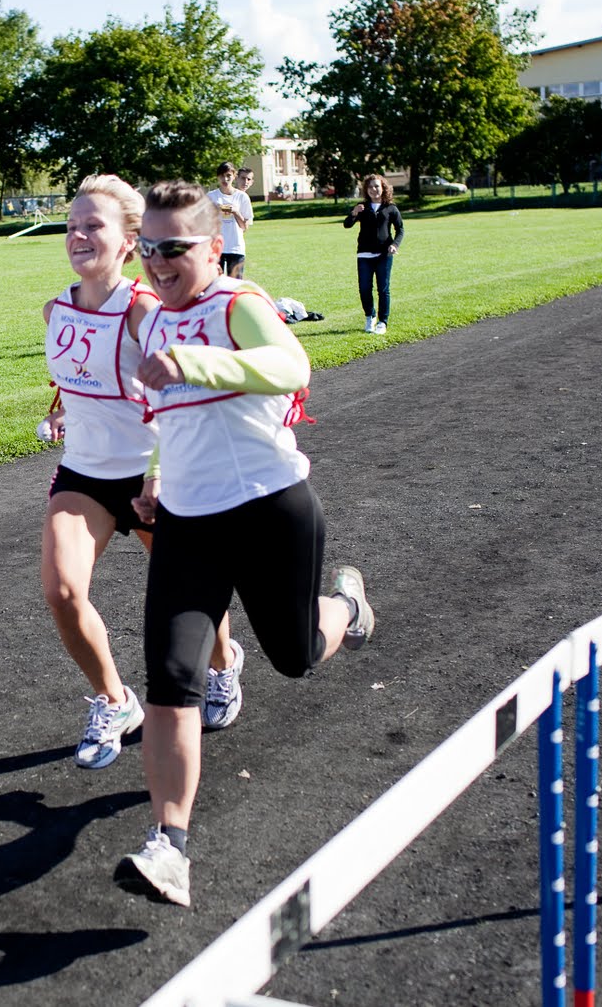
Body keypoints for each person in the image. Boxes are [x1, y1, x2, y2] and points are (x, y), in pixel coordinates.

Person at [114, 179, 376, 907]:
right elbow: (171, 419)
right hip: (188, 523)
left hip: (269, 510)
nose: (157, 261)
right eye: (148, 247)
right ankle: (170, 845)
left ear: (211, 247)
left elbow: (293, 367)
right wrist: (155, 478)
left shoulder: (237, 303)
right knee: (171, 676)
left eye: (173, 247)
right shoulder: (154, 322)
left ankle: (347, 607)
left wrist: (196, 360)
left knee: (295, 655)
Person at [40, 175, 245, 773]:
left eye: (93, 226)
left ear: (130, 241)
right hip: (84, 474)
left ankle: (223, 665)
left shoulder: (142, 311)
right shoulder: (55, 309)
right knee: (61, 591)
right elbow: (78, 378)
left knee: (194, 595)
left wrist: (161, 471)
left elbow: (183, 393)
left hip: (155, 477)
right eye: (71, 226)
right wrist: (59, 411)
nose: (78, 235)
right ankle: (115, 700)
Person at [342, 174, 405, 335]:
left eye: (377, 186)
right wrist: (354, 213)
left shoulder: (390, 208)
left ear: (383, 188)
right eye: (370, 187)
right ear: (366, 190)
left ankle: (382, 322)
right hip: (364, 255)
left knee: (383, 289)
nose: (373, 189)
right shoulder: (362, 207)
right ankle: (370, 316)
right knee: (364, 288)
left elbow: (400, 229)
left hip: (384, 254)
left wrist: (394, 245)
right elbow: (347, 224)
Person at [206, 162, 252, 279]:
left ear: (234, 176)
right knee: (215, 283)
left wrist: (236, 212)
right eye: (222, 176)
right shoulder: (211, 196)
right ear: (217, 177)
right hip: (216, 248)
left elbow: (244, 227)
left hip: (236, 248)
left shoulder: (242, 197)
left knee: (235, 284)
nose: (225, 179)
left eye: (228, 176)